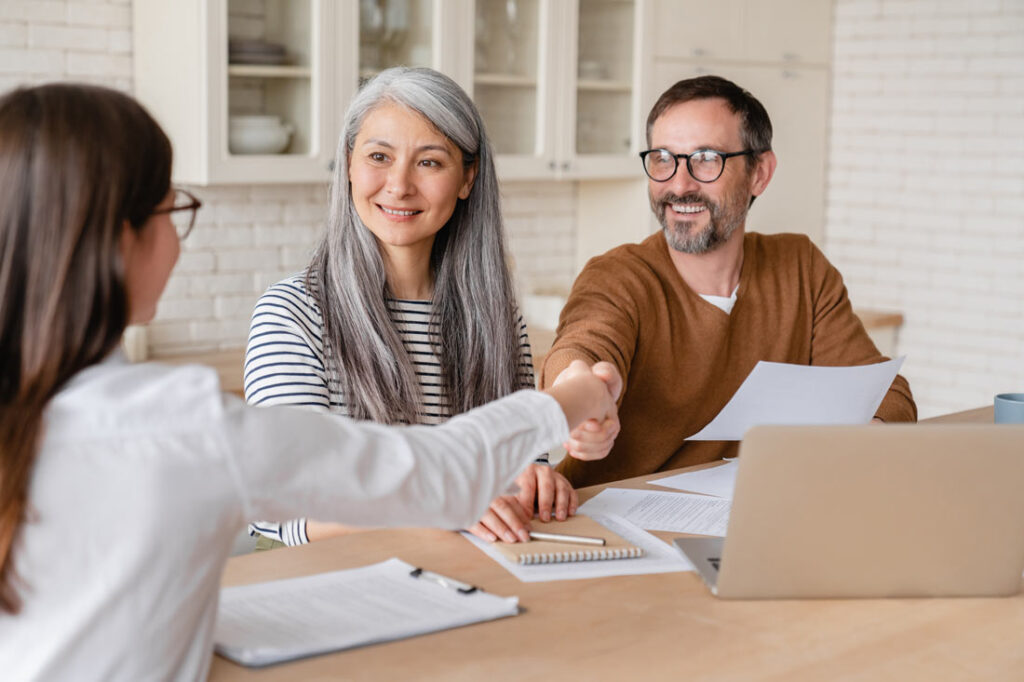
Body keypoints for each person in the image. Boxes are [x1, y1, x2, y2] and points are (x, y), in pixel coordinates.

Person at [0, 83, 619, 680]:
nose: (179, 239)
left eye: (428, 160)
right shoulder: (184, 424)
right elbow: (435, 471)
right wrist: (575, 396)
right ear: (120, 239)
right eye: (171, 209)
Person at [243, 67, 618, 547]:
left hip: (460, 571)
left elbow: (520, 465)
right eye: (378, 156)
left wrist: (536, 483)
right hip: (331, 581)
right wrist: (444, 501)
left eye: (430, 162)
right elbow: (285, 516)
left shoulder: (498, 320)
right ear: (349, 165)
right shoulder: (292, 314)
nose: (399, 185)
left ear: (468, 178)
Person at [540, 75, 917, 488]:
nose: (679, 184)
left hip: (748, 517)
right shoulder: (619, 276)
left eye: (705, 159)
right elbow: (581, 346)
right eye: (664, 158)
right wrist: (578, 388)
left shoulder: (800, 268)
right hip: (614, 522)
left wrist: (868, 434)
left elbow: (882, 388)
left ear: (760, 173)